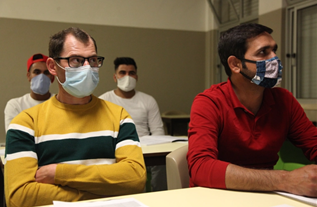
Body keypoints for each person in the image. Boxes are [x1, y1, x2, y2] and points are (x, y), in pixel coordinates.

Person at [5, 28, 146, 207]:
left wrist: (59, 173)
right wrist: (102, 194)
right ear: (52, 66)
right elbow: (20, 197)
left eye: (93, 60)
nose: (88, 68)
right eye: (76, 61)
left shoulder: (119, 117)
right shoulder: (25, 123)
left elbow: (135, 179)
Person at [187, 23, 317, 197]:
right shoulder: (209, 102)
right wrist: (285, 180)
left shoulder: (284, 100)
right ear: (235, 64)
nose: (275, 59)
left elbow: (313, 143)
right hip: (217, 196)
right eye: (263, 52)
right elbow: (201, 167)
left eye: (274, 50)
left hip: (267, 196)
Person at [99, 57, 167, 191]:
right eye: (122, 73)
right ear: (115, 77)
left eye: (131, 73)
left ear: (137, 77)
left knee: (163, 164)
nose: (127, 76)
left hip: (146, 148)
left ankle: (158, 195)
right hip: (118, 149)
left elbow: (158, 132)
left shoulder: (148, 100)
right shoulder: (104, 100)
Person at [4, 53, 55, 132]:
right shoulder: (15, 105)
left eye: (46, 73)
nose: (41, 77)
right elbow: (15, 138)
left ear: (52, 77)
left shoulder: (61, 103)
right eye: (37, 72)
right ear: (29, 76)